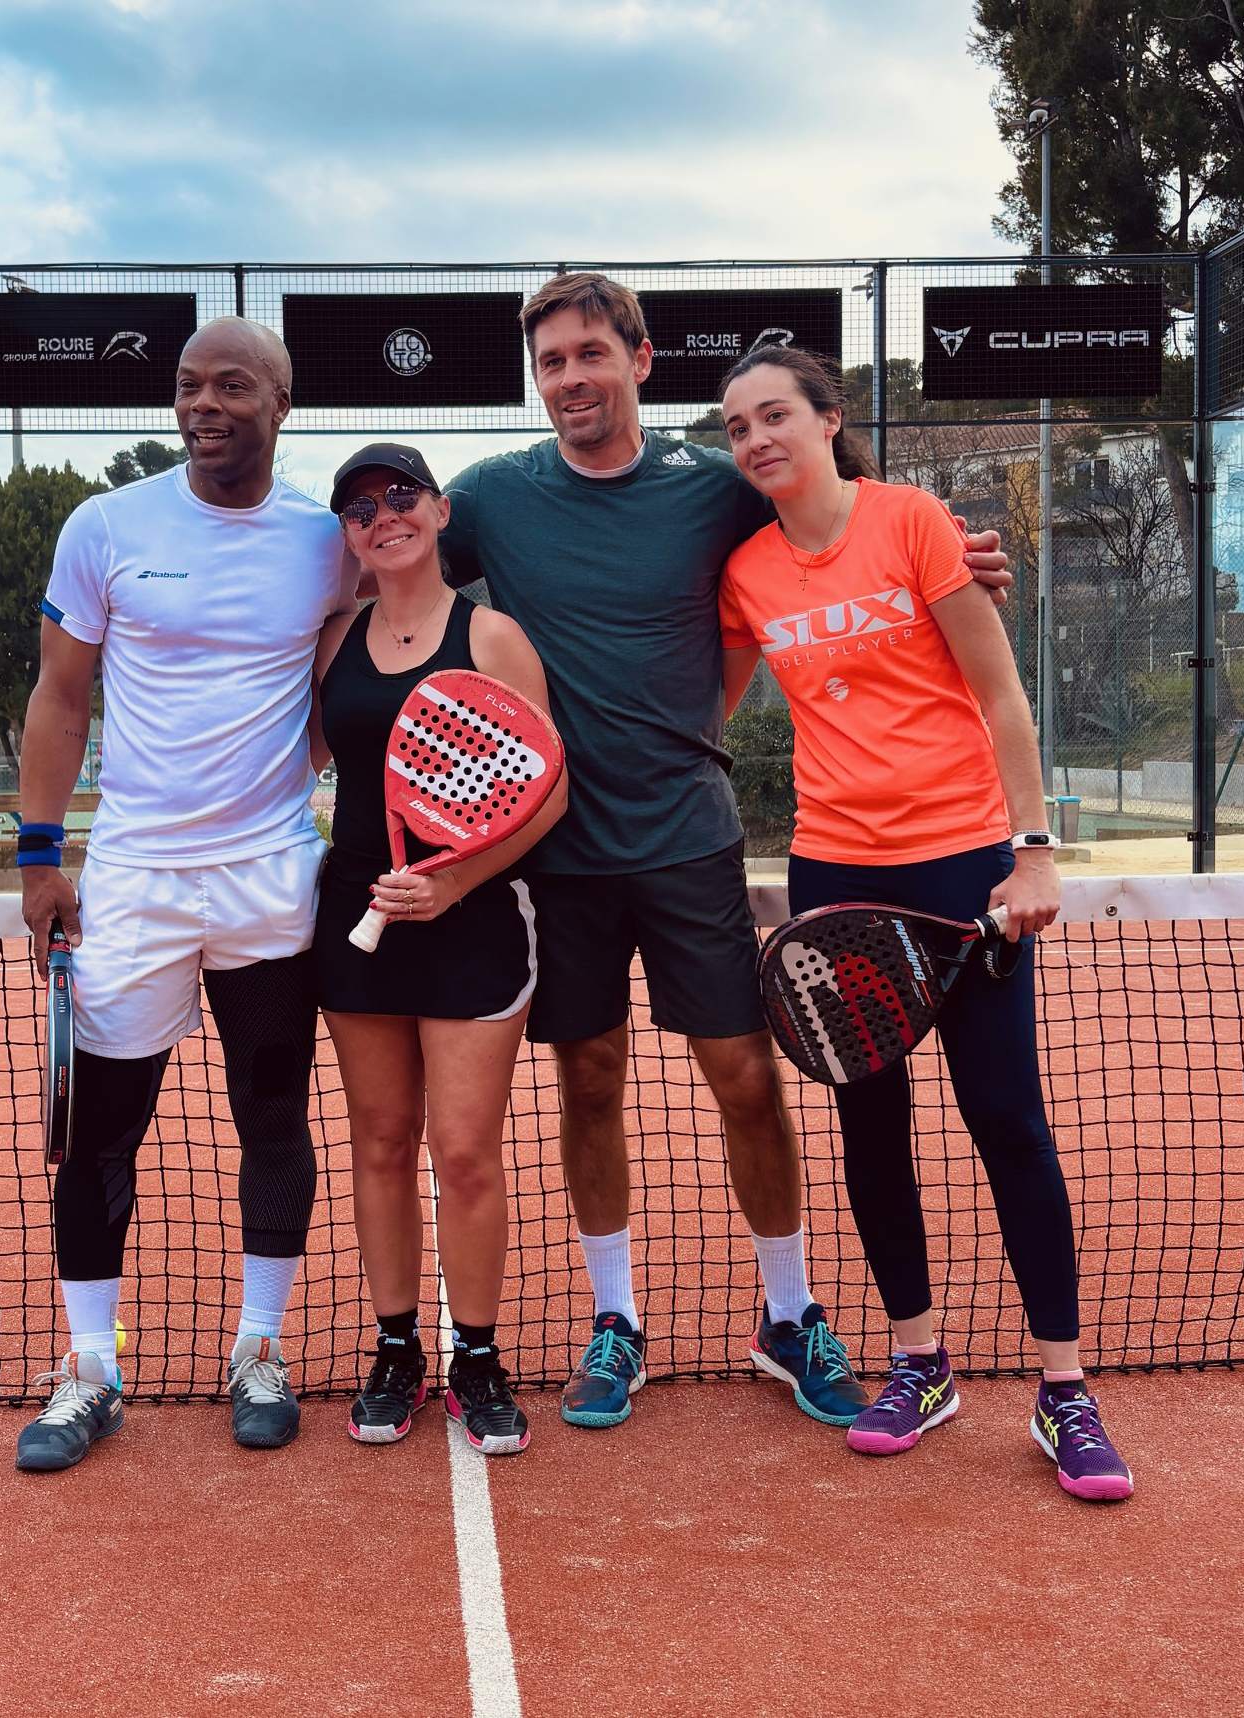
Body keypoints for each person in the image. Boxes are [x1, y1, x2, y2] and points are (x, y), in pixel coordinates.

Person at [439, 273, 1013, 1431]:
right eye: (549, 362)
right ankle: (616, 1321)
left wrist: (961, 554)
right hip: (558, 849)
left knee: (745, 1077)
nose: (568, 379)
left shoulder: (713, 491)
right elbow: (384, 561)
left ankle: (787, 1314)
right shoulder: (492, 498)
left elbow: (843, 526)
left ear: (639, 361)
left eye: (589, 354)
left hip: (689, 839)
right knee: (587, 1077)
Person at [716, 344, 1132, 1501]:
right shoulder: (745, 571)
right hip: (833, 873)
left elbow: (1000, 693)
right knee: (870, 1124)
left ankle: (1064, 1391)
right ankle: (916, 1358)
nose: (754, 439)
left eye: (773, 416)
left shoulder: (909, 524)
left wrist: (1031, 848)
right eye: (735, 425)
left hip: (962, 866)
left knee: (1006, 1115)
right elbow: (704, 702)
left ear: (827, 417)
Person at [13, 317, 357, 1473]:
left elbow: (332, 698)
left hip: (270, 882)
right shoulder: (105, 526)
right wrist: (38, 854)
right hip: (133, 886)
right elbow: (61, 698)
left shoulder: (326, 541)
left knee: (272, 1118)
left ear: (281, 401)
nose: (202, 403)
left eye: (230, 385)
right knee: (102, 1135)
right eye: (186, 386)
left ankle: (258, 1346)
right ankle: (90, 1369)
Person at [311, 443, 566, 1456]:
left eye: (400, 495)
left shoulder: (490, 634)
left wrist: (454, 879)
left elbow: (548, 787)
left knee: (462, 1154)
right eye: (360, 507)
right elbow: (315, 758)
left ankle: (476, 1353)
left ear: (440, 509)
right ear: (348, 534)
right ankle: (394, 1347)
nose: (384, 515)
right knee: (377, 1142)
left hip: (469, 921)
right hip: (355, 916)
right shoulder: (329, 642)